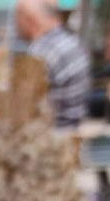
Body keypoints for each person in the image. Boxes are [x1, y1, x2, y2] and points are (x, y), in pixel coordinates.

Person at [16, 0, 91, 128]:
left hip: (50, 137)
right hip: (70, 131)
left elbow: (24, 109)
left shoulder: (41, 53)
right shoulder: (73, 43)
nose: (16, 24)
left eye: (18, 17)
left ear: (30, 19)